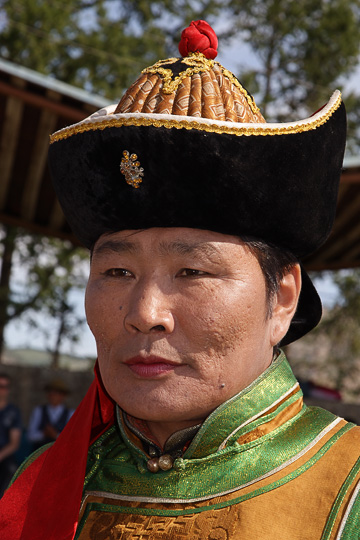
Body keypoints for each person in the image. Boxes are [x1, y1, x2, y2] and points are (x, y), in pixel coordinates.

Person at [0, 20, 358, 540]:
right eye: (117, 271)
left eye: (192, 271)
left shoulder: (348, 488)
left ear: (282, 298)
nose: (145, 313)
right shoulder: (43, 486)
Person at [27, 379, 73, 451]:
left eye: (56, 393)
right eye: (50, 392)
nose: (53, 396)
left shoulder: (70, 414)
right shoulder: (38, 411)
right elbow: (30, 436)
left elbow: (71, 439)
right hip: (40, 454)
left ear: (63, 396)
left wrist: (55, 435)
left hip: (60, 453)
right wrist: (43, 434)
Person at [0, 373, 22, 498]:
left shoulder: (13, 412)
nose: (2, 390)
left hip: (4, 456)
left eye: (4, 386)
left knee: (10, 471)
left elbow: (14, 443)